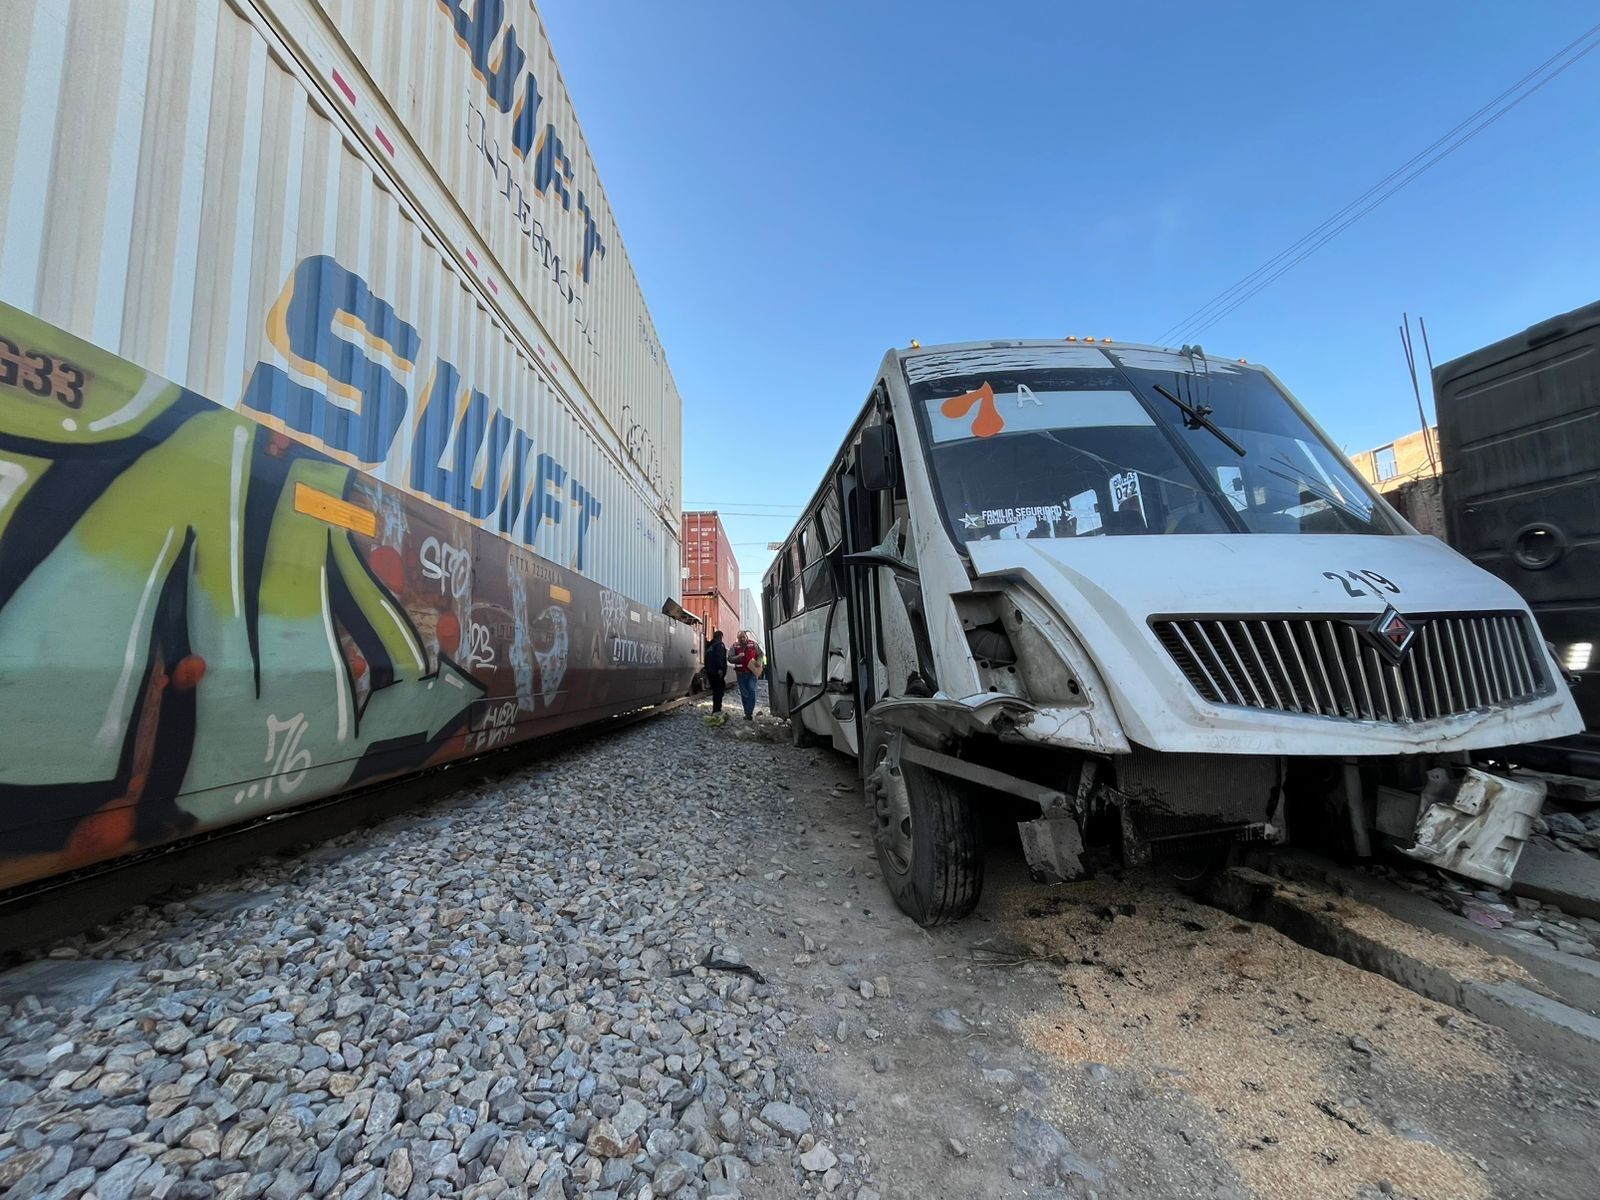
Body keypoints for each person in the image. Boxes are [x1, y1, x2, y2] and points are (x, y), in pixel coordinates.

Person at [732, 630, 763, 720]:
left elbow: (760, 654)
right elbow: (729, 658)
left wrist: (759, 661)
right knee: (744, 693)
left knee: (751, 690)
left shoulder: (753, 644)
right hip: (741, 674)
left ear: (746, 637)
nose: (742, 639)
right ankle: (747, 713)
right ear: (738, 638)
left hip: (752, 673)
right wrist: (738, 657)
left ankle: (750, 711)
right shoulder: (734, 646)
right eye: (740, 637)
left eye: (743, 637)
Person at [704, 630, 728, 714]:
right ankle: (717, 709)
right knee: (719, 691)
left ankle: (715, 709)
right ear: (720, 637)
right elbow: (719, 657)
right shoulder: (719, 645)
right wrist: (720, 668)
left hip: (710, 672)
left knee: (715, 691)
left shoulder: (710, 645)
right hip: (717, 672)